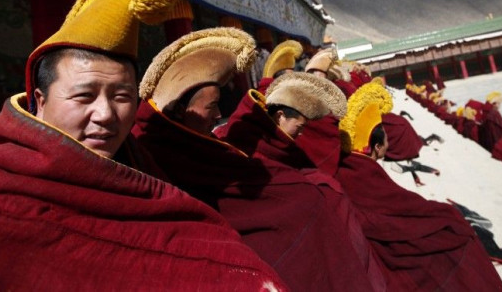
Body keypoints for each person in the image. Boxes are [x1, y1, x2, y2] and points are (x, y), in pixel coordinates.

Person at [0, 0, 285, 290]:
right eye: (84, 96)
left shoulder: (141, 166)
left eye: (122, 96)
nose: (106, 115)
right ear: (39, 100)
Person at [134, 29, 385, 291]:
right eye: (211, 107)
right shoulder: (159, 149)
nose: (219, 114)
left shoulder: (200, 139)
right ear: (177, 109)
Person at [332, 82, 502, 291]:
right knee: (456, 229)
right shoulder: (365, 173)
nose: (389, 142)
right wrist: (445, 214)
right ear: (377, 147)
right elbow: (401, 210)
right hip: (391, 249)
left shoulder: (351, 165)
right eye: (386, 138)